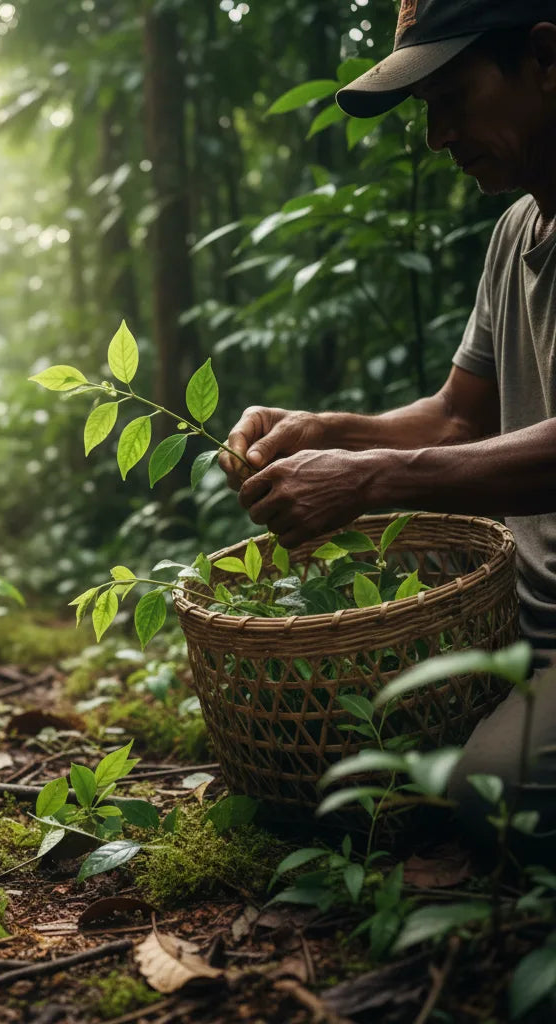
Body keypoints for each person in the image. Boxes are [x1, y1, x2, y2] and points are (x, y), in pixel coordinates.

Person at [217, 0, 556, 858]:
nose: (438, 135)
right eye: (426, 109)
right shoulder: (517, 230)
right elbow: (453, 416)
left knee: (491, 794)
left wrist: (372, 479)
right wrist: (321, 431)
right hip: (517, 635)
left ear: (545, 60)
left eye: (454, 97)